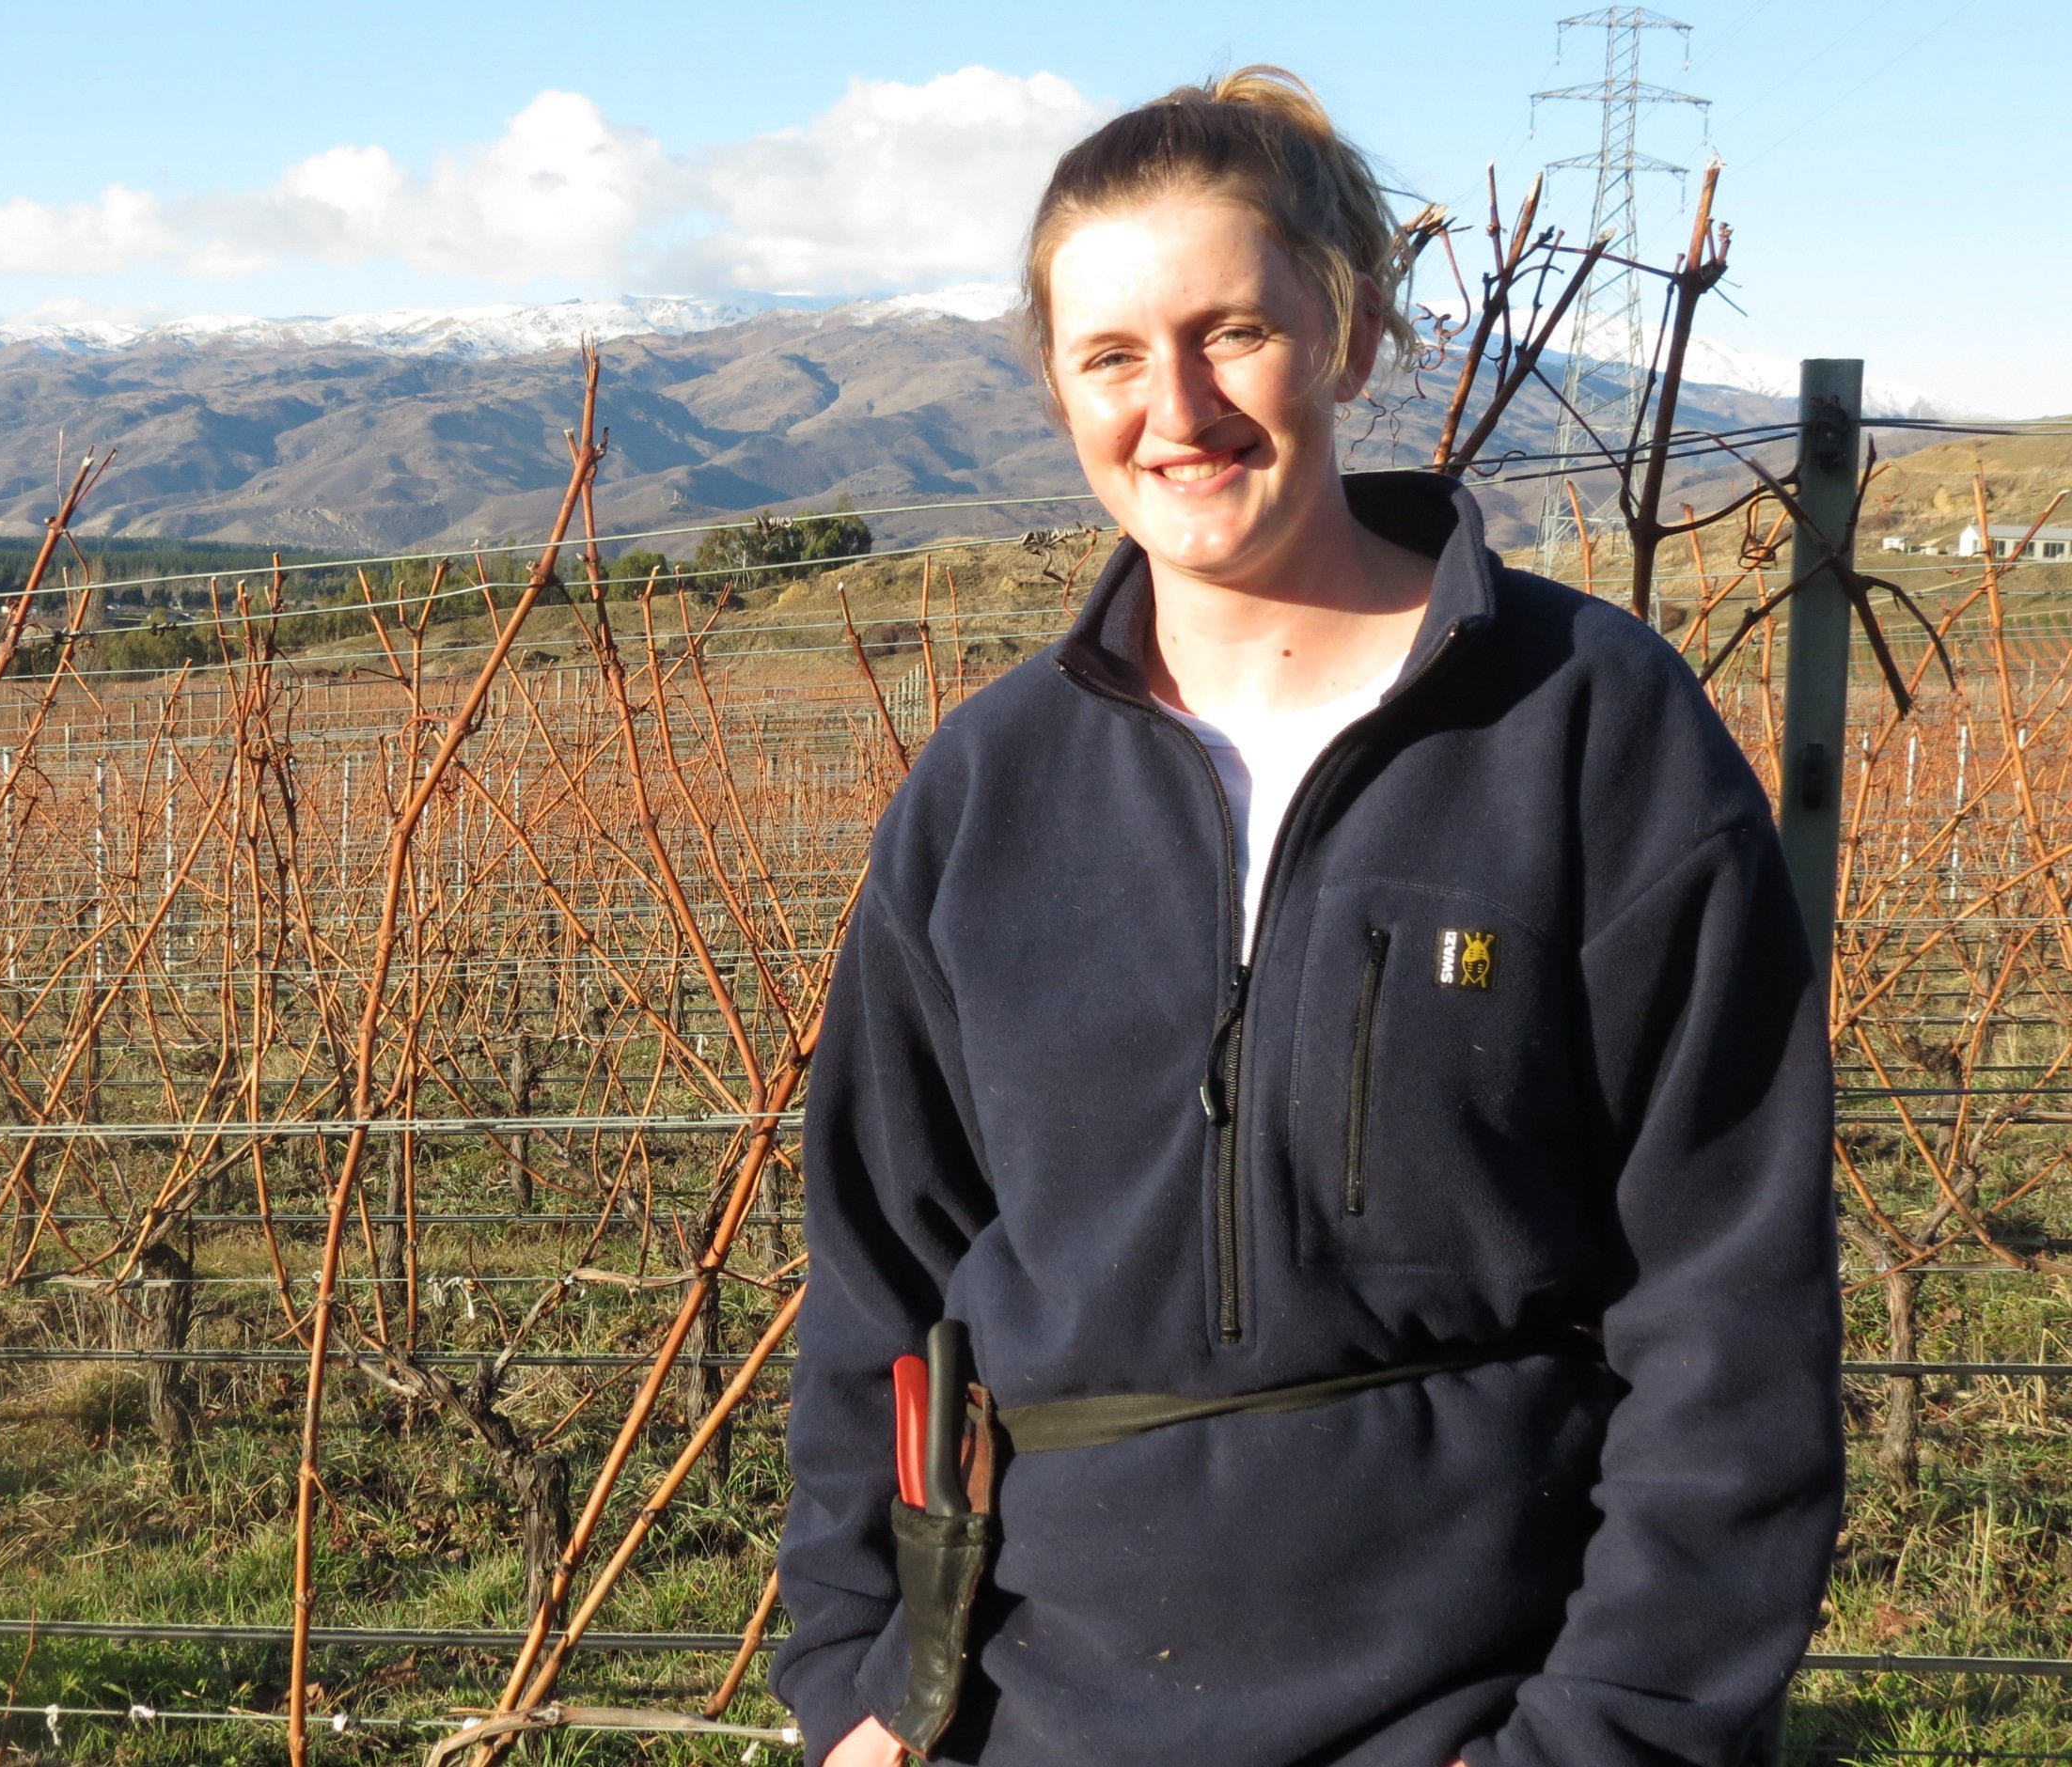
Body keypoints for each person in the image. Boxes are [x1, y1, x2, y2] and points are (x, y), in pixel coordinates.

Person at [770, 68, 1843, 1767]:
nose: (1176, 406)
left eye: (1234, 335)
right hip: (1035, 1717)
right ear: (1058, 390)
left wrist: (1612, 1737)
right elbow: (878, 1284)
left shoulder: (1585, 727)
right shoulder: (985, 793)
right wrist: (854, 1681)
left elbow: (1730, 1303)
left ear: (1344, 338)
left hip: (1485, 1713)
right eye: (1111, 355)